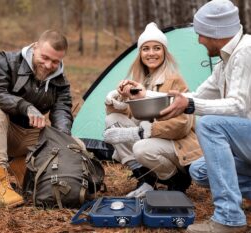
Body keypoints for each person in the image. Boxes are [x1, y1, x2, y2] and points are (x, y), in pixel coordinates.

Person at [159, 0, 250, 232]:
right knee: (200, 171)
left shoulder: (246, 52)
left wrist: (189, 103)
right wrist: (148, 96)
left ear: (215, 33)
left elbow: (239, 106)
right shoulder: (225, 62)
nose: (199, 40)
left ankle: (229, 219)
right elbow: (196, 96)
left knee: (209, 125)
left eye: (201, 34)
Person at [103, 22, 202, 198]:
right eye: (146, 49)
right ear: (140, 53)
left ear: (164, 52)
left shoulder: (174, 81)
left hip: (177, 146)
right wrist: (117, 99)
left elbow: (181, 125)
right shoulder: (140, 80)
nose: (151, 53)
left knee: (141, 147)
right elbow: (134, 117)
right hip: (152, 142)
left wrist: (139, 133)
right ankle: (147, 180)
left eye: (157, 48)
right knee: (112, 121)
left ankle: (177, 180)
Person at [0, 30, 73, 207]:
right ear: (35, 46)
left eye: (55, 61)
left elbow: (62, 111)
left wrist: (63, 139)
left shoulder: (61, 80)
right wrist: (25, 106)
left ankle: (22, 165)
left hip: (29, 137)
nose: (48, 64)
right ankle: (1, 181)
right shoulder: (7, 60)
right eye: (44, 57)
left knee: (73, 143)